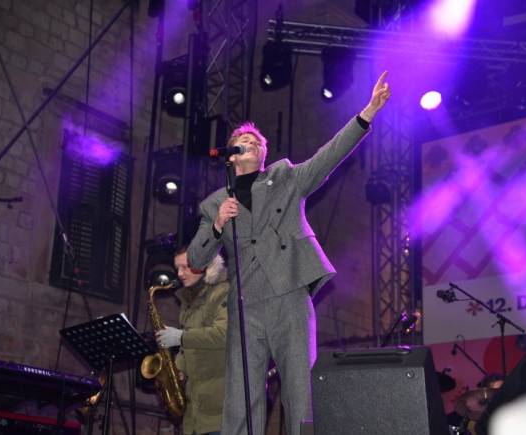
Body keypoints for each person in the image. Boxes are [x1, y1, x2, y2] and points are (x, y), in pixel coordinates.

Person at [187, 71, 391, 435]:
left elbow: (328, 156)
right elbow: (196, 260)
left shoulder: (285, 178)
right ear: (231, 155)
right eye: (243, 141)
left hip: (289, 295)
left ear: (263, 153)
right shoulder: (216, 203)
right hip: (245, 305)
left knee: (300, 391)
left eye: (255, 141)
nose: (250, 143)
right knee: (241, 396)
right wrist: (217, 225)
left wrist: (367, 113)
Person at [156, 247, 230, 435]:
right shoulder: (188, 299)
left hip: (219, 410)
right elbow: (189, 348)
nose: (180, 274)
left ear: (203, 264)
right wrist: (178, 370)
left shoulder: (223, 291)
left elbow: (224, 334)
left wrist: (180, 337)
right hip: (195, 412)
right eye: (177, 268)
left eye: (185, 267)